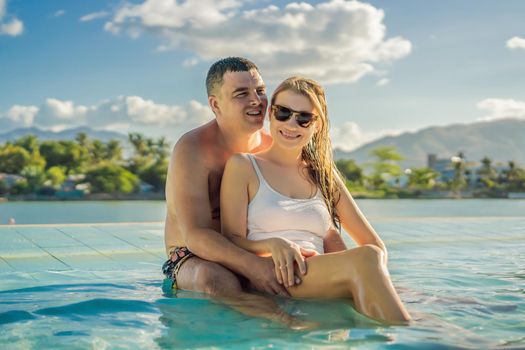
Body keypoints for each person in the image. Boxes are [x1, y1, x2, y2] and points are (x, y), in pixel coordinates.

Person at [162, 57, 347, 326]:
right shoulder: (193, 149)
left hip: (259, 250)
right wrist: (254, 266)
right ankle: (287, 323)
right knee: (214, 279)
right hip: (194, 258)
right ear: (215, 105)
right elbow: (196, 235)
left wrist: (341, 268)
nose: (256, 100)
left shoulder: (277, 145)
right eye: (241, 94)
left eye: (260, 90)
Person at [220, 76, 412, 324]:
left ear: (317, 125)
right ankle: (410, 338)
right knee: (367, 259)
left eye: (303, 118)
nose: (292, 124)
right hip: (280, 277)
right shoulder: (244, 165)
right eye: (283, 113)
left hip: (319, 275)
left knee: (370, 256)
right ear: (270, 114)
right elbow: (230, 240)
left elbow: (374, 244)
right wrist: (272, 245)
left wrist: (375, 277)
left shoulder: (323, 174)